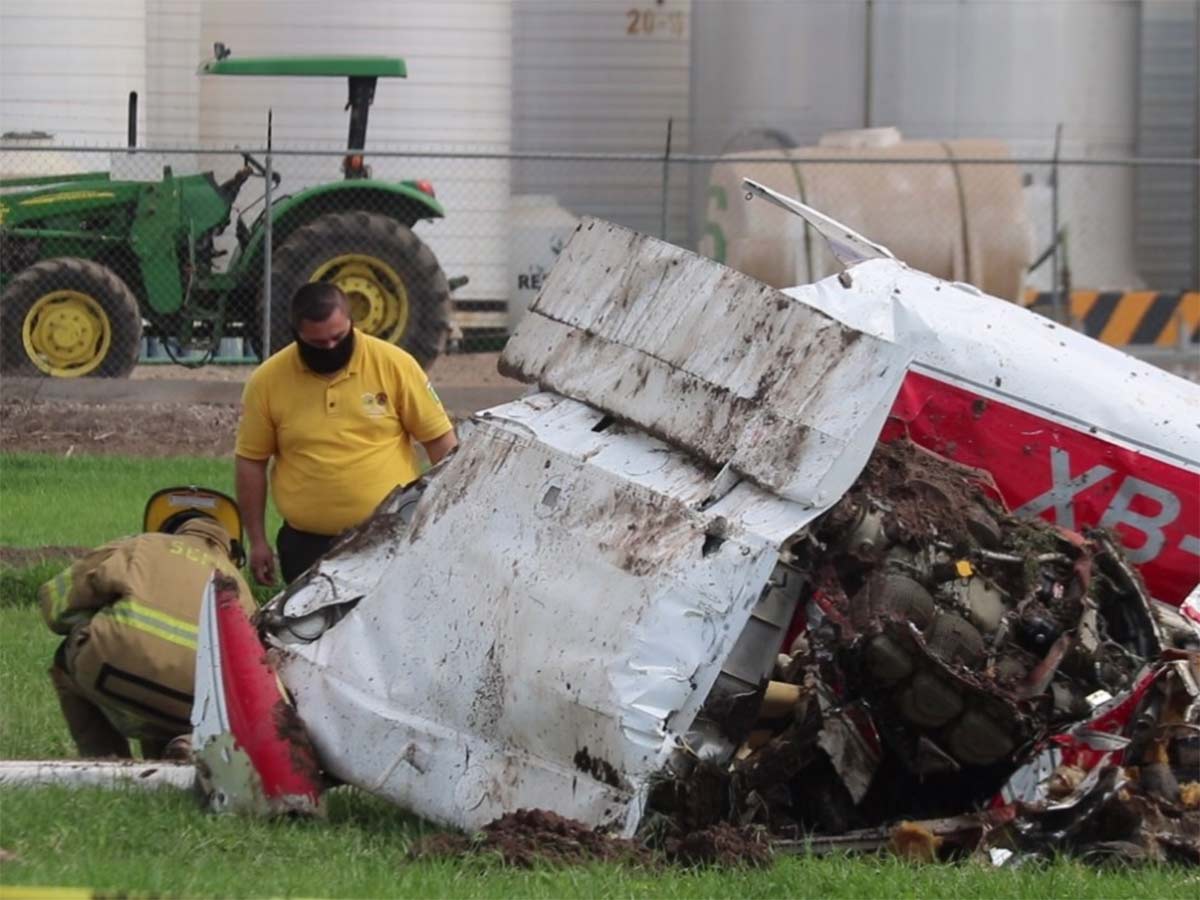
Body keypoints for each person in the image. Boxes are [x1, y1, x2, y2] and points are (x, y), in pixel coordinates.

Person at [235, 282, 457, 585]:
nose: (329, 348)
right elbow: (251, 461)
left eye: (338, 338)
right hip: (306, 546)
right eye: (317, 343)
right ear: (296, 334)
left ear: (352, 323)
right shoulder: (267, 381)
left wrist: (449, 520)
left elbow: (442, 444)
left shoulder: (395, 365)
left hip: (387, 538)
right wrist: (257, 541)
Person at [39, 487, 257, 760]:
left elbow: (54, 604)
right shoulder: (241, 587)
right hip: (191, 708)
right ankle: (179, 752)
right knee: (185, 687)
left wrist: (90, 620)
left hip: (108, 676)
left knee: (67, 660)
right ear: (232, 547)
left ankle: (103, 763)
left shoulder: (143, 545)